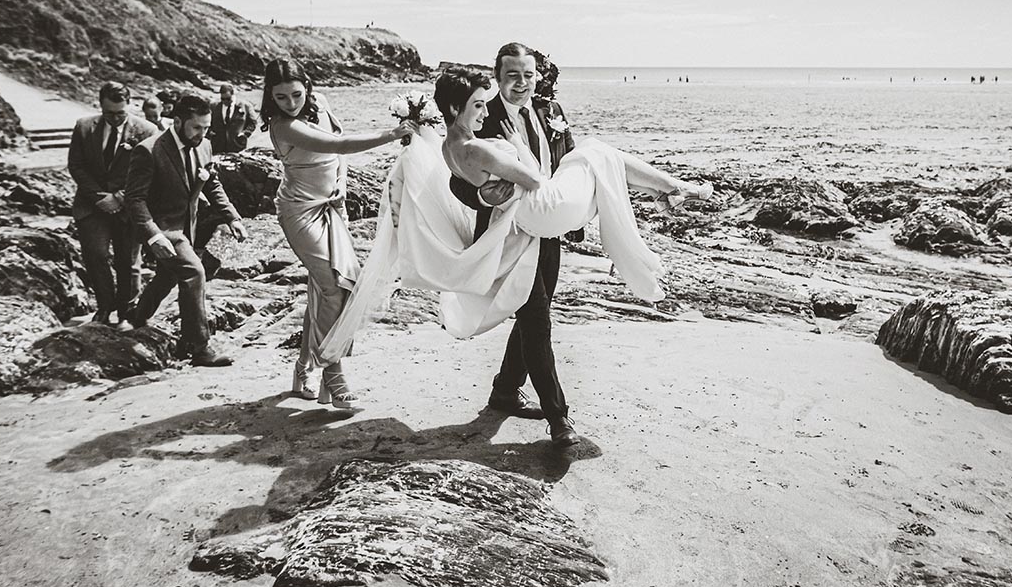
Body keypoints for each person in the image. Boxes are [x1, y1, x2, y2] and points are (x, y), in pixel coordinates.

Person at [314, 43, 710, 449]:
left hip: (549, 225)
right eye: (512, 76)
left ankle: (505, 389)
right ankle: (558, 417)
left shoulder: (550, 111)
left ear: (537, 76)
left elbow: (564, 159)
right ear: (498, 77)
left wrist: (569, 215)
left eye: (528, 75)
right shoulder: (483, 116)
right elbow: (457, 182)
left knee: (535, 312)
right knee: (537, 320)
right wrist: (483, 196)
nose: (521, 84)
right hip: (511, 232)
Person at [261, 58, 418, 407]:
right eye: (281, 97)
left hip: (333, 207)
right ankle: (333, 376)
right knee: (335, 289)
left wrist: (341, 188)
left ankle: (303, 368)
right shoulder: (283, 125)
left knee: (322, 291)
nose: (291, 103)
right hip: (301, 212)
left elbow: (338, 156)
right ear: (270, 97)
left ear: (307, 87)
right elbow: (340, 145)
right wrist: (391, 134)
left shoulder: (321, 103)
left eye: (296, 94)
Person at [124, 93, 249, 366]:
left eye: (206, 128)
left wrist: (232, 217)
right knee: (194, 272)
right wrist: (154, 235)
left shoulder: (204, 145)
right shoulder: (149, 150)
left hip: (188, 227)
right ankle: (199, 347)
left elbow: (212, 183)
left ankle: (137, 316)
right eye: (196, 128)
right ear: (178, 121)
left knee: (167, 276)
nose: (202, 134)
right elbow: (134, 199)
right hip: (162, 229)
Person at [68, 82, 159, 324]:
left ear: (130, 105)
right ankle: (104, 308)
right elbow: (76, 165)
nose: (116, 118)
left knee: (128, 261)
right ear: (100, 106)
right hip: (93, 205)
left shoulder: (148, 131)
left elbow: (150, 173)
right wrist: (99, 197)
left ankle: (126, 311)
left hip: (129, 207)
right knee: (96, 255)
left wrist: (119, 197)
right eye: (109, 113)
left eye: (121, 113)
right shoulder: (84, 127)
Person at [209, 83, 257, 154]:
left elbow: (253, 123)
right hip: (217, 147)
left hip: (238, 147)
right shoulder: (214, 106)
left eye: (228, 99)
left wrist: (245, 134)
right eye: (223, 99)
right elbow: (206, 121)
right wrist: (210, 133)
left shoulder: (245, 106)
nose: (225, 101)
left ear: (233, 95)